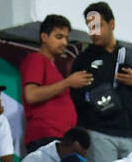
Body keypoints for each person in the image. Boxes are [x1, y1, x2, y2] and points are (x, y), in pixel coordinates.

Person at [71, 2, 132, 162]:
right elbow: (75, 99)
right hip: (99, 135)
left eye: (98, 26)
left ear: (112, 24)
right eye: (90, 27)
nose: (94, 32)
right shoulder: (83, 60)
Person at [19, 14, 88, 152]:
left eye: (66, 38)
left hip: (61, 138)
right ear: (44, 37)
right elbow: (31, 95)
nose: (64, 42)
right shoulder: (36, 59)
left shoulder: (54, 68)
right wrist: (68, 82)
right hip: (46, 136)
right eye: (59, 37)